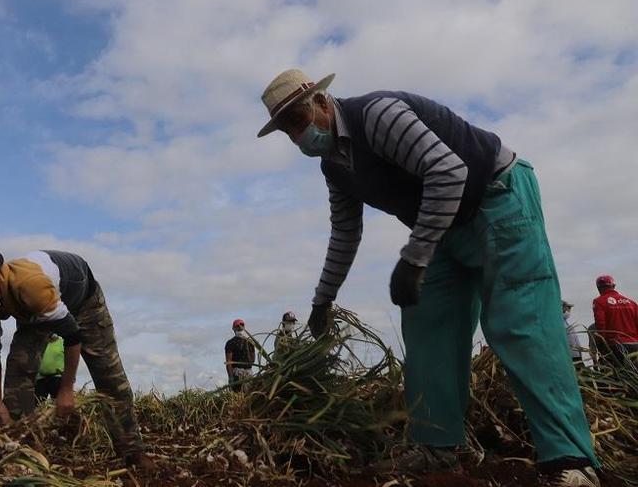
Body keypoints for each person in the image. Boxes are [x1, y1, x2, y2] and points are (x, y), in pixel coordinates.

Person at [257, 69, 599, 486]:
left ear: (322, 102)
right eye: (287, 129)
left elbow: (448, 171)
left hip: (497, 198)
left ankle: (570, 459)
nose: (297, 135)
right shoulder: (335, 167)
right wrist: (322, 300)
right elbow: (345, 233)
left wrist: (415, 258)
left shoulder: (377, 115)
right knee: (426, 326)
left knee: (522, 323)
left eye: (298, 119)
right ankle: (439, 447)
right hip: (440, 226)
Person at [0, 250, 153, 469]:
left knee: (109, 376)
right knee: (18, 375)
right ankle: (25, 455)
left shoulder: (29, 285)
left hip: (82, 302)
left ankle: (133, 452)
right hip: (34, 313)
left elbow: (72, 335)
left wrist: (66, 389)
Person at [592, 275, 638, 366]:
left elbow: (601, 325)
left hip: (616, 346)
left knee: (619, 377)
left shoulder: (599, 302)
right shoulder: (631, 302)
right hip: (635, 345)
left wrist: (601, 347)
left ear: (598, 288)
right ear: (613, 286)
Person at [224, 319, 255, 391]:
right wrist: (231, 378)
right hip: (237, 373)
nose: (240, 327)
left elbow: (253, 359)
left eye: (241, 325)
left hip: (248, 373)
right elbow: (229, 362)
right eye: (237, 326)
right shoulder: (231, 343)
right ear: (233, 328)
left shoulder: (249, 342)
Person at [35, 335, 64, 402]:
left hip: (57, 377)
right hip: (40, 378)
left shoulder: (62, 342)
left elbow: (70, 360)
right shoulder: (40, 344)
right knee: (38, 403)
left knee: (57, 401)